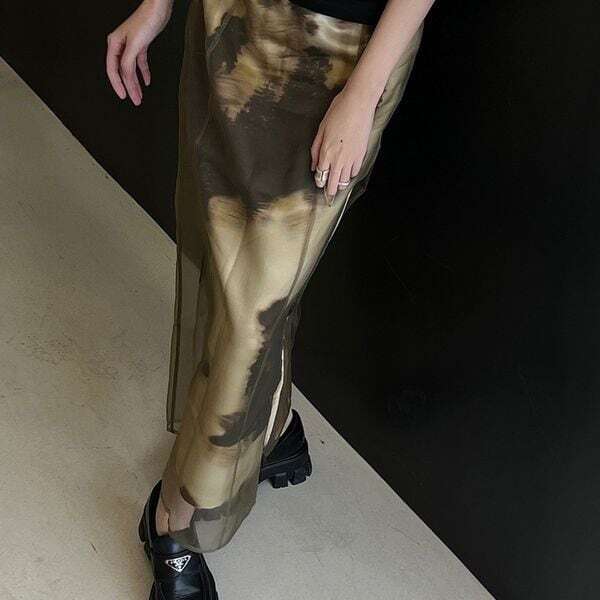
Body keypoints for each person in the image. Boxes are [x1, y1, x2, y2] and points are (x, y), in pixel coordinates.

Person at [106, 0, 435, 597]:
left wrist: (364, 90)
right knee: (233, 276)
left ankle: (174, 521)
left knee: (255, 306)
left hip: (345, 50)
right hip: (234, 23)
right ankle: (271, 427)